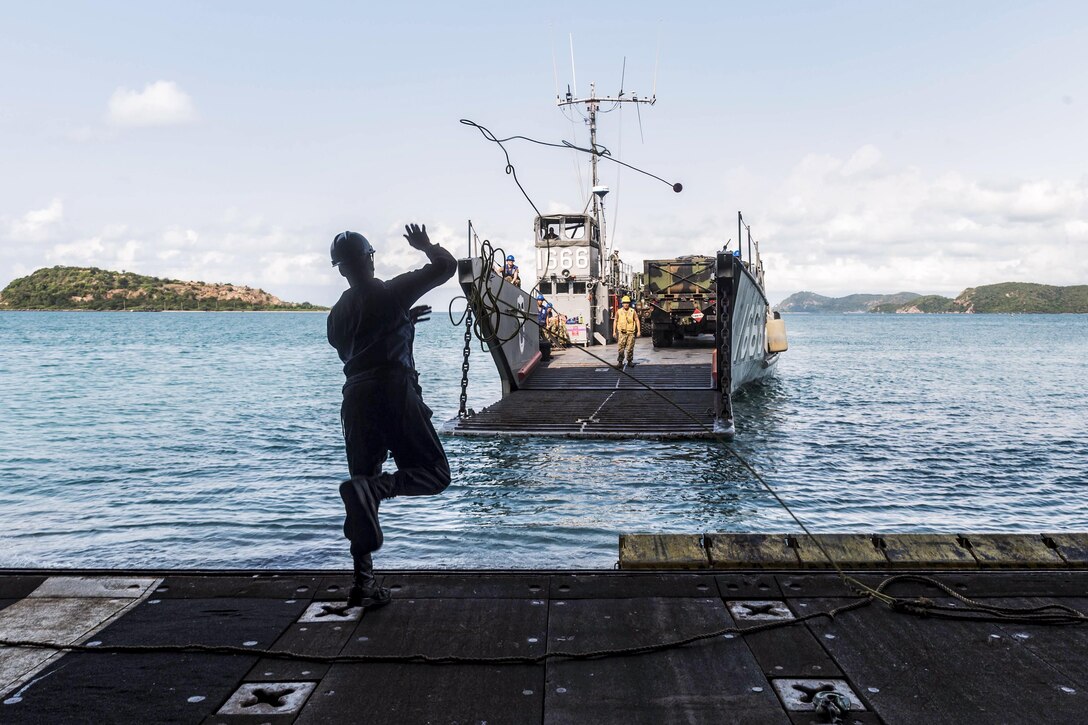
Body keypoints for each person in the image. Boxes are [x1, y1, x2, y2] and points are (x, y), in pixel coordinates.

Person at [327, 224, 456, 609]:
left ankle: (363, 583)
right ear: (369, 259)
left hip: (355, 398)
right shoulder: (391, 291)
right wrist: (425, 245)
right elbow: (446, 267)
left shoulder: (335, 316)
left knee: (359, 489)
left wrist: (402, 322)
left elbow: (358, 347)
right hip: (393, 390)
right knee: (434, 473)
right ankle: (380, 488)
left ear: (340, 269)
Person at [613, 295, 641, 367]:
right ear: (622, 303)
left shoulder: (632, 311)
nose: (626, 304)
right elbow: (615, 321)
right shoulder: (619, 312)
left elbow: (637, 320)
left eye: (627, 303)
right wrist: (614, 332)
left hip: (630, 333)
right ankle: (620, 362)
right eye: (624, 303)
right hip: (622, 333)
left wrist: (638, 331)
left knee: (630, 348)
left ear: (629, 303)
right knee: (621, 348)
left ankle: (629, 361)